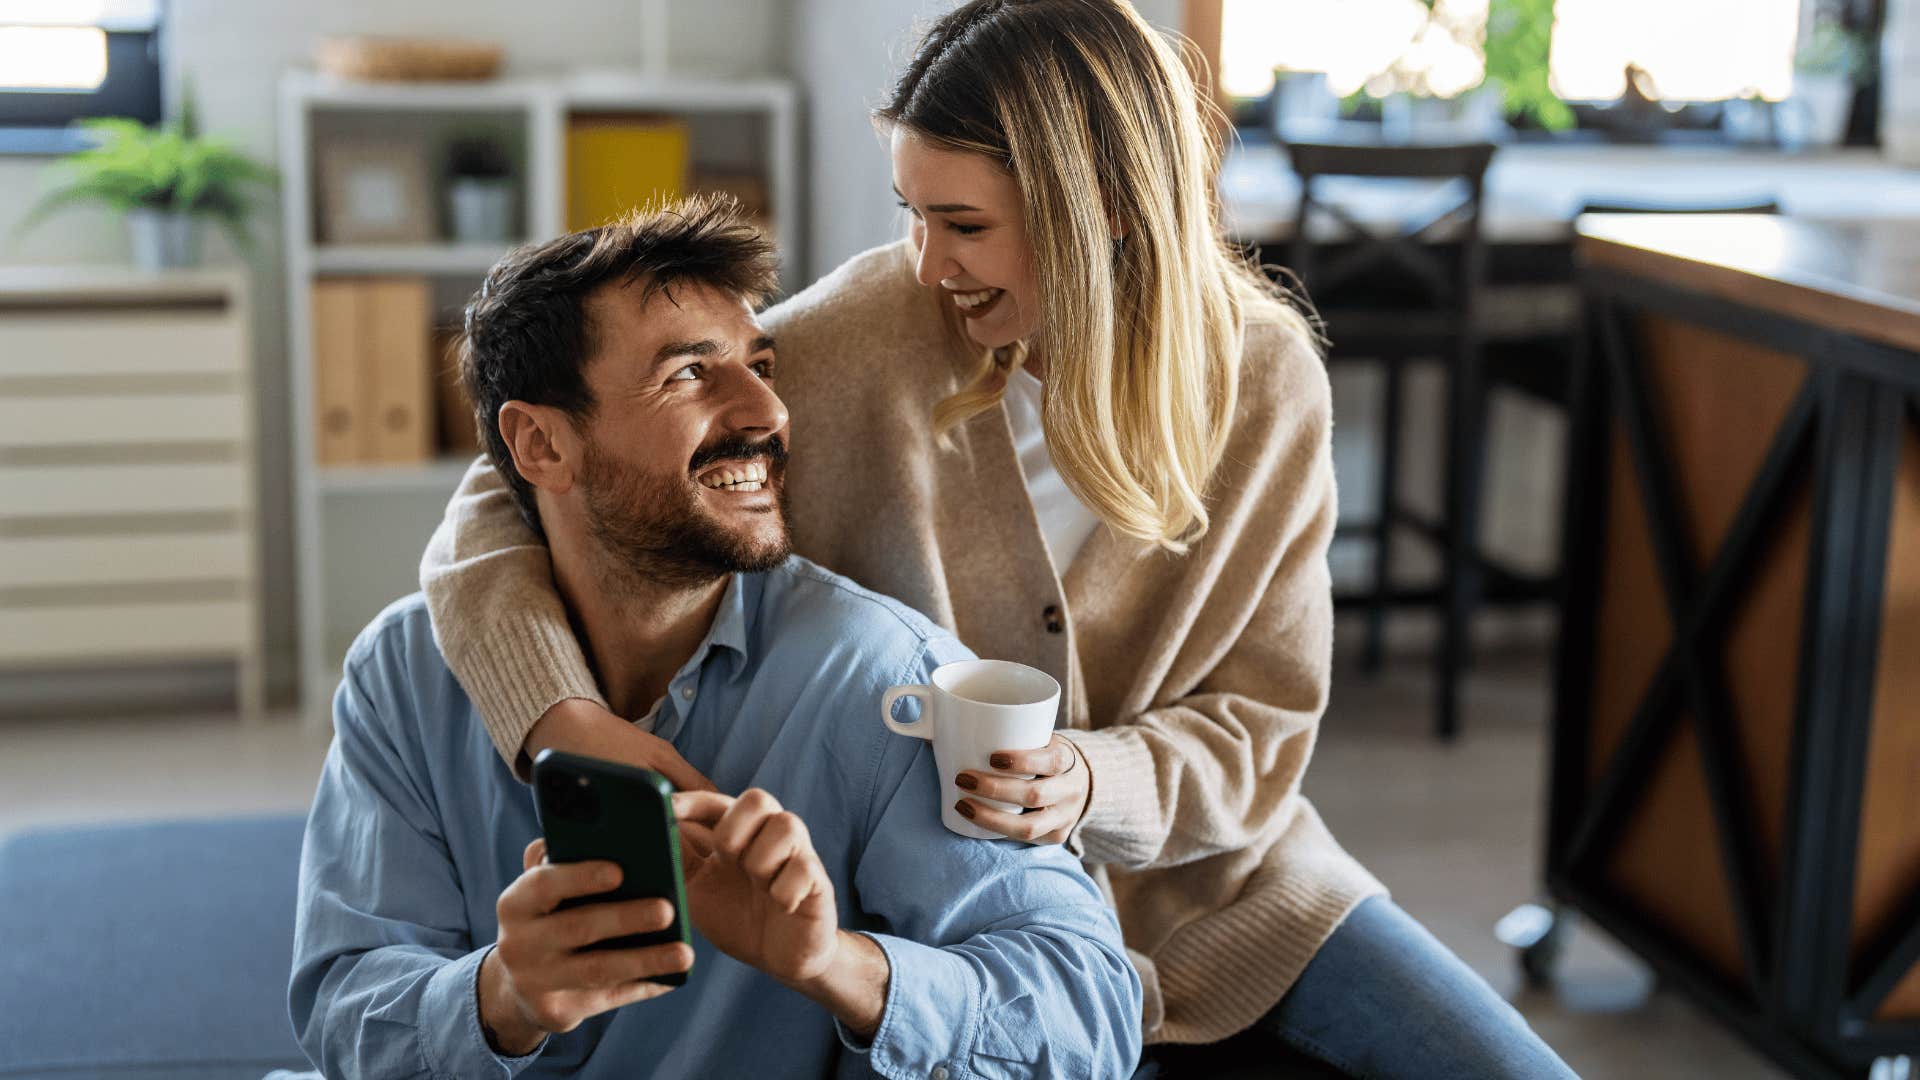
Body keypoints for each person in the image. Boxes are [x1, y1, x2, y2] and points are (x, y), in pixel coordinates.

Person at [418, 2, 1577, 1076]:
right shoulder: (872, 335)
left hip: (1234, 900)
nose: (928, 262)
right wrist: (562, 717)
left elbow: (1263, 733)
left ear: (1101, 214)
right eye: (913, 215)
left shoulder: (1266, 385)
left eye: (963, 224)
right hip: (950, 920)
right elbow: (516, 483)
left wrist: (1088, 779)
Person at [288, 198, 1142, 1079]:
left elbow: (1089, 1019)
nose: (767, 410)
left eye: (760, 365)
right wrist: (503, 998)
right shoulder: (403, 677)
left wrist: (835, 964)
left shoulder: (883, 680)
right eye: (691, 374)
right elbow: (344, 1007)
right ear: (541, 443)